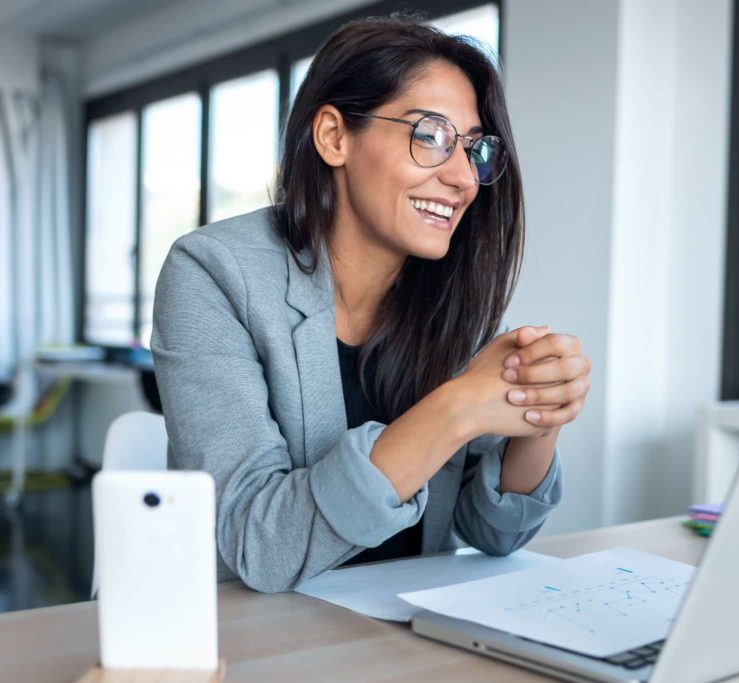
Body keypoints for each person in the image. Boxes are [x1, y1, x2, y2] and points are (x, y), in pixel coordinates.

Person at [151, 17, 591, 593]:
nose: (463, 178)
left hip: (397, 638)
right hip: (253, 641)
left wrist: (539, 412)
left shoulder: (453, 298)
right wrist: (456, 408)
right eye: (430, 134)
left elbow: (492, 532)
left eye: (475, 149)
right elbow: (256, 546)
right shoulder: (212, 272)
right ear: (334, 136)